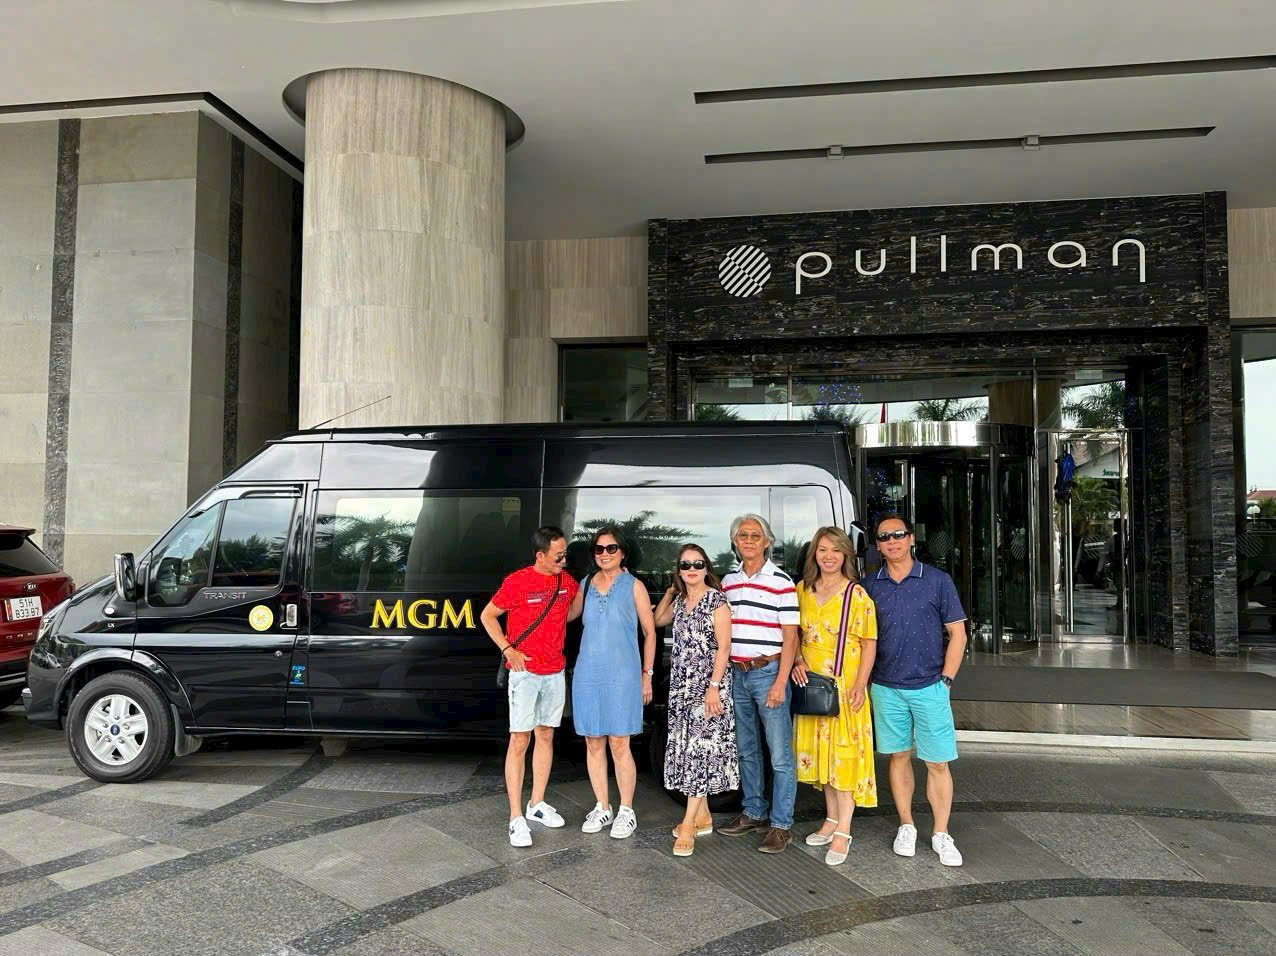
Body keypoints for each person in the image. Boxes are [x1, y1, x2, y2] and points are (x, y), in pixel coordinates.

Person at [862, 514, 967, 867]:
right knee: (898, 757)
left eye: (898, 534)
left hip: (929, 687)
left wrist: (946, 680)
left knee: (937, 761)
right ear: (878, 545)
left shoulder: (937, 581)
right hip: (886, 688)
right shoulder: (869, 586)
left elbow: (958, 634)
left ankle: (941, 833)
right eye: (884, 537)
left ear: (911, 539)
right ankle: (906, 825)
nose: (891, 541)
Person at [480, 526, 581, 848]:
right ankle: (515, 817)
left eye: (565, 555)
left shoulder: (567, 582)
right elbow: (488, 616)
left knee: (546, 734)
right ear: (540, 555)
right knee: (520, 739)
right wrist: (508, 649)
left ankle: (536, 803)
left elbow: (571, 610)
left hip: (555, 671)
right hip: (524, 673)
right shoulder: (518, 581)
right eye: (558, 557)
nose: (563, 561)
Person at [789, 527, 878, 866]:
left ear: (845, 556)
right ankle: (830, 818)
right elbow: (793, 634)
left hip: (845, 687)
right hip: (812, 686)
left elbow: (869, 643)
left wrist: (860, 684)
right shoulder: (802, 590)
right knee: (822, 758)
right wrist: (797, 660)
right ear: (814, 553)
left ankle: (844, 829)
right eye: (823, 549)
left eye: (836, 550)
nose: (829, 556)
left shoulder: (856, 594)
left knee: (843, 758)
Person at [716, 514, 800, 853]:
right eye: (743, 535)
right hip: (737, 674)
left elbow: (791, 637)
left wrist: (781, 681)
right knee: (746, 749)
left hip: (769, 673)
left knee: (779, 755)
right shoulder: (728, 581)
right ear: (735, 542)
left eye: (755, 535)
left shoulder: (782, 581)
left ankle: (781, 825)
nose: (749, 540)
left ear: (767, 542)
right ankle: (753, 812)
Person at [567, 526, 657, 839]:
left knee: (620, 743)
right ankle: (602, 806)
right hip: (588, 674)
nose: (604, 554)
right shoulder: (586, 584)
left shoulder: (634, 586)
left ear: (622, 552)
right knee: (593, 741)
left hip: (624, 676)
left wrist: (647, 675)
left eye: (611, 548)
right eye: (599, 549)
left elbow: (650, 633)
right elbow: (566, 615)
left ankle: (626, 811)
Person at [654, 544, 736, 857]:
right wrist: (670, 592)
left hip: (708, 687)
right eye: (685, 565)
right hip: (682, 688)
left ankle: (688, 823)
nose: (692, 570)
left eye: (698, 564)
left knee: (700, 752)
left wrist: (713, 688)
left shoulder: (717, 600)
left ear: (706, 568)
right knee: (688, 750)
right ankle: (703, 817)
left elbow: (724, 648)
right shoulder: (680, 601)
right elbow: (658, 619)